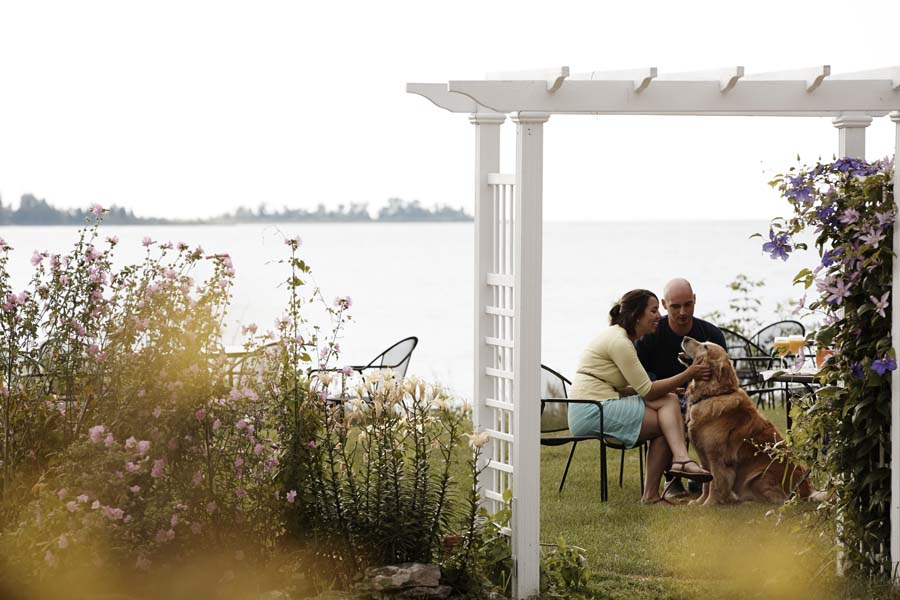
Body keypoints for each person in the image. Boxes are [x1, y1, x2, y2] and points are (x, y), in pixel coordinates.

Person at [568, 289, 713, 505]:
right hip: (591, 409)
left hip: (600, 401)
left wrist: (669, 389)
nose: (658, 316)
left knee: (669, 404)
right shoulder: (620, 342)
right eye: (653, 311)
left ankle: (674, 470)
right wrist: (689, 373)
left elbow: (632, 387)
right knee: (667, 422)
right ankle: (674, 469)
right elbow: (647, 389)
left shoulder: (619, 337)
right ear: (637, 315)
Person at [635, 278, 727, 498]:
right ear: (665, 305)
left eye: (688, 304)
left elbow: (723, 375)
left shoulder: (711, 334)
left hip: (704, 397)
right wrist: (667, 387)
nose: (683, 311)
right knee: (672, 411)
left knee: (718, 415)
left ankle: (707, 476)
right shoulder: (651, 335)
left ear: (695, 300)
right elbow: (638, 375)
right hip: (661, 398)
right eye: (676, 306)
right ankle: (673, 478)